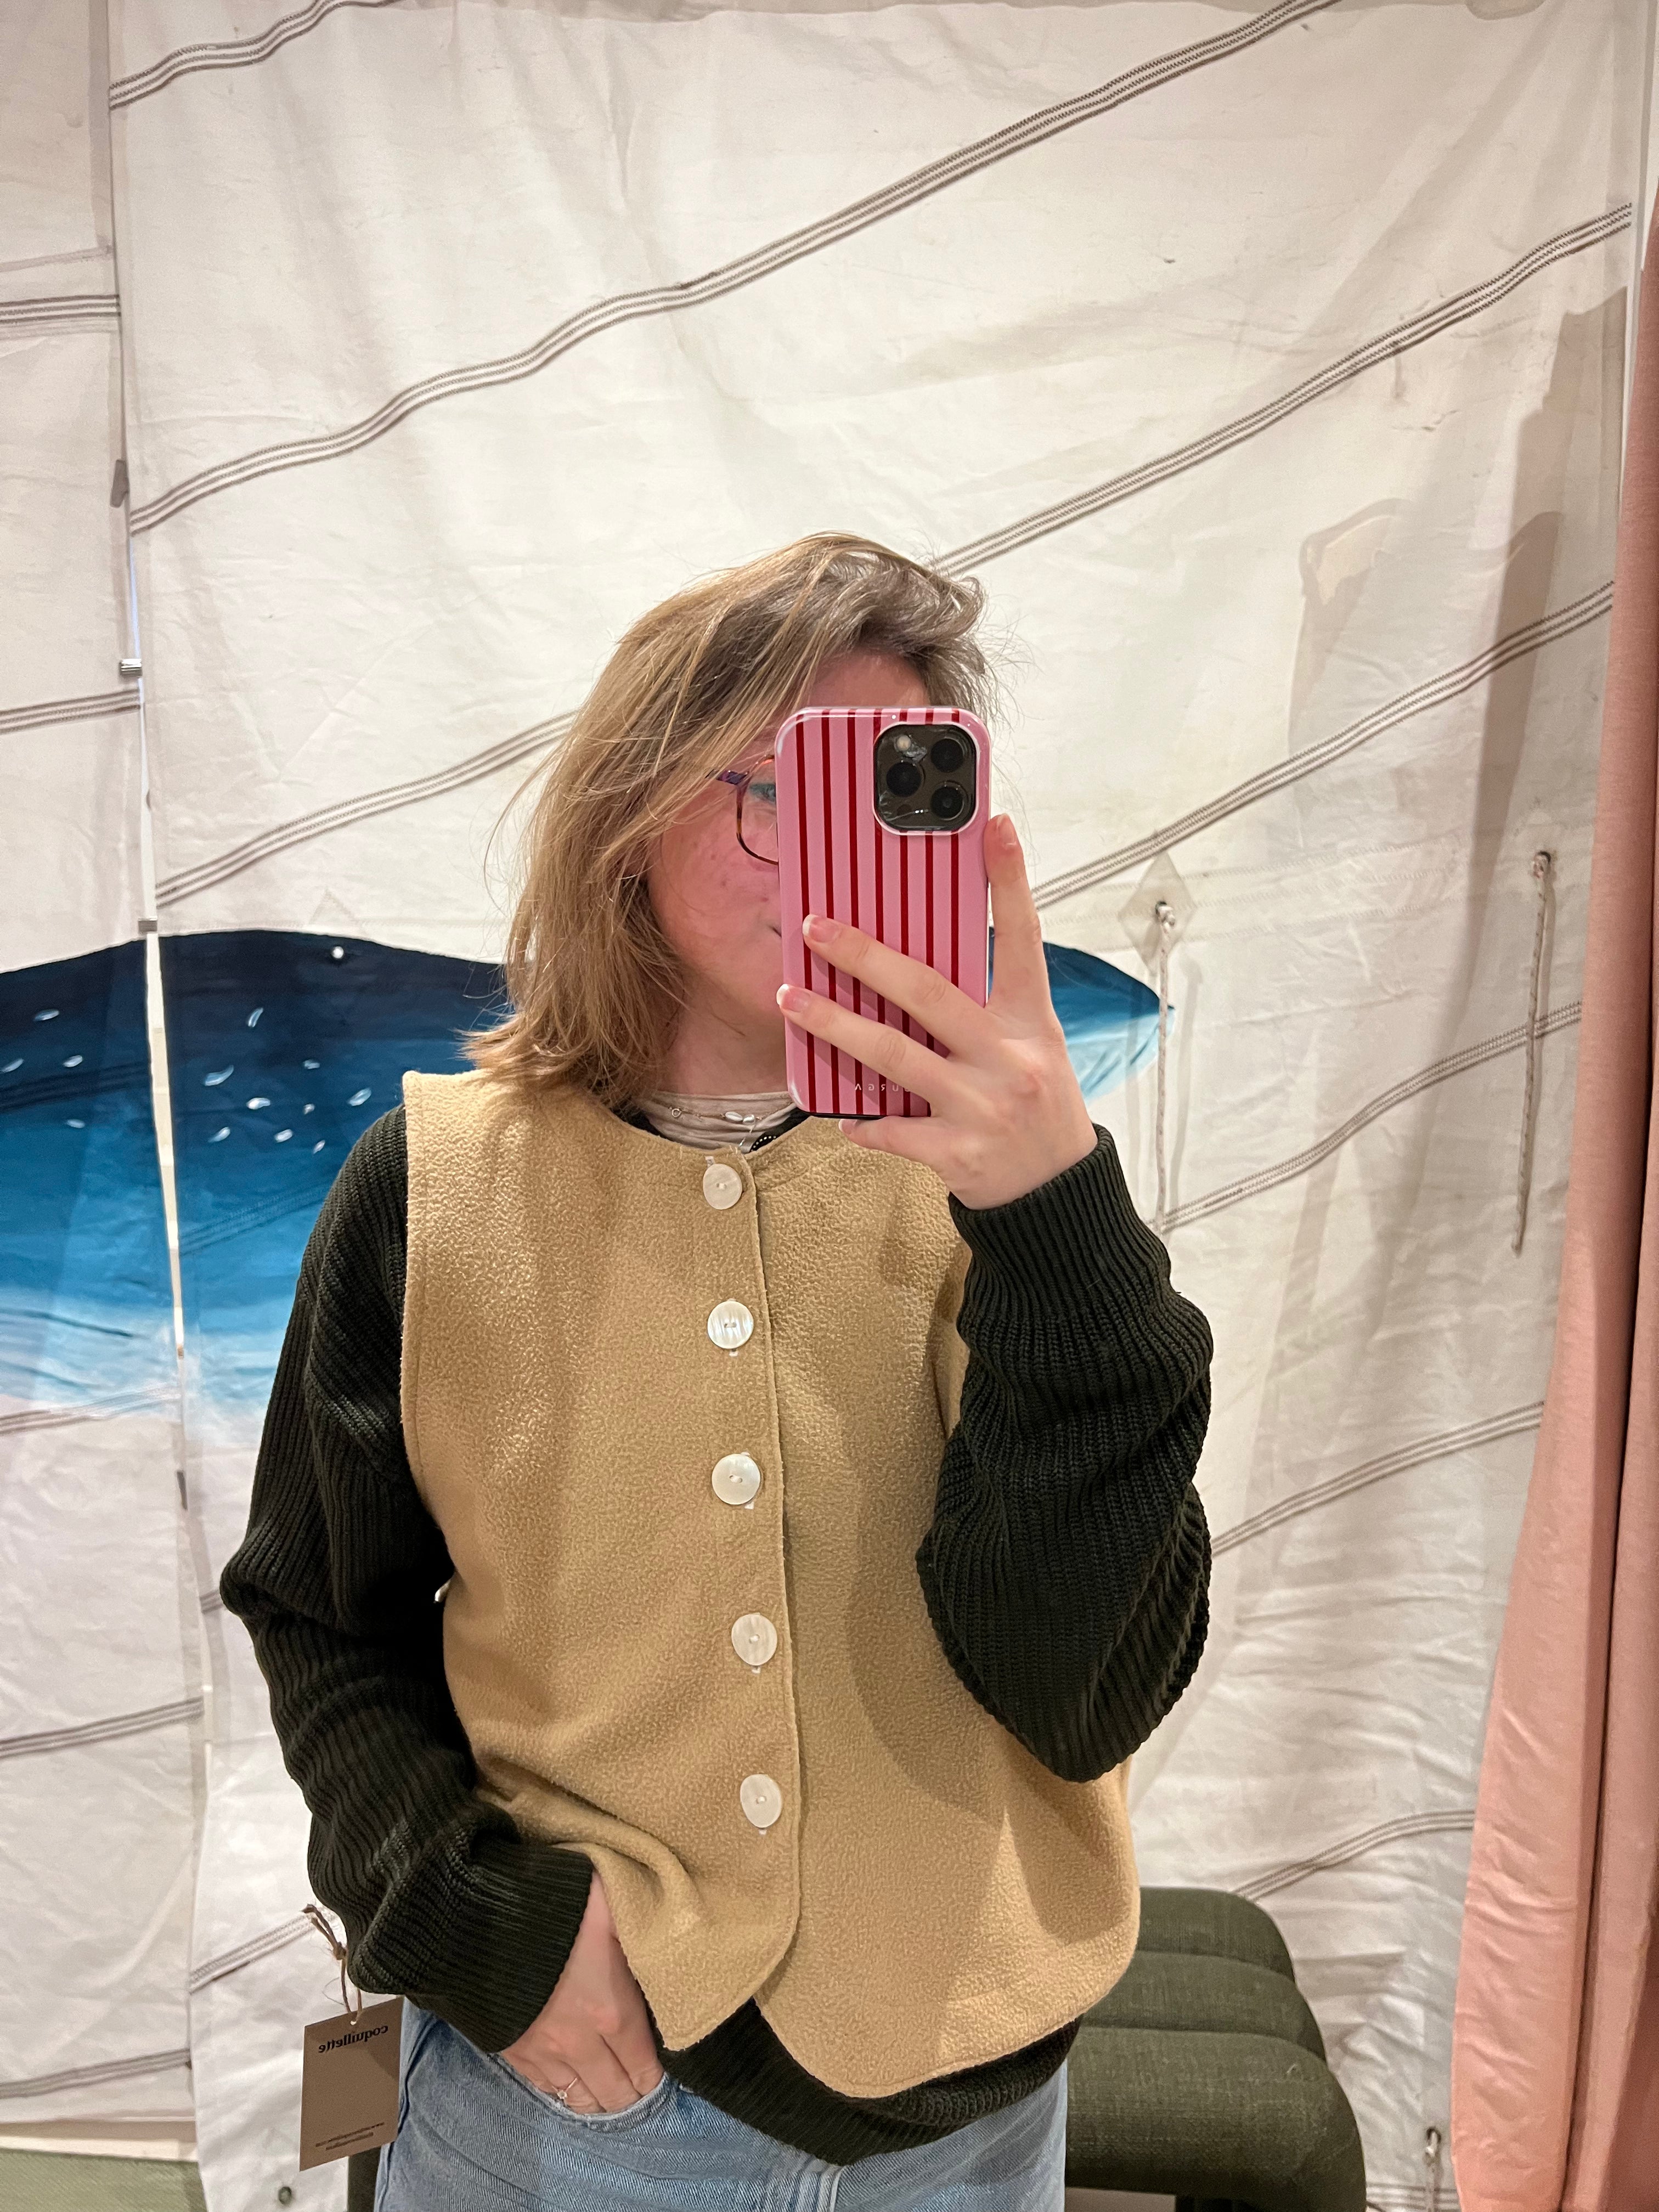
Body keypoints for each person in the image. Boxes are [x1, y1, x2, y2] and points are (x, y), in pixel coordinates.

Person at [222, 533, 1212, 2211]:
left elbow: (1083, 1691)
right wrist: (475, 1923)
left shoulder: (1014, 1190)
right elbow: (324, 1615)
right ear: (629, 810)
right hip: (563, 2111)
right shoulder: (431, 1188)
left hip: (965, 2129)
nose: (831, 860)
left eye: (890, 795)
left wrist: (1059, 1224)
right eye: (779, 789)